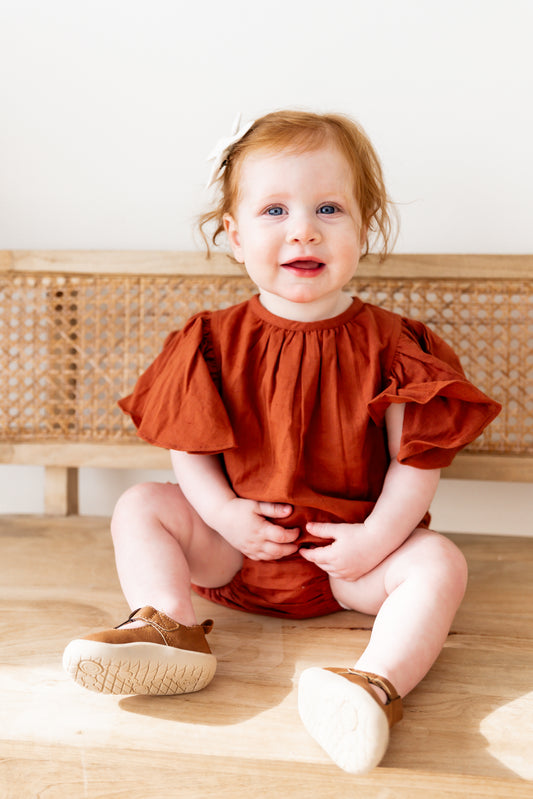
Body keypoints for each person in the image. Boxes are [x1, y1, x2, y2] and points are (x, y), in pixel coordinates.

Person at [63, 110, 501, 775]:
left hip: (349, 564)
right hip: (234, 553)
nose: (303, 228)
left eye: (329, 207)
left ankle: (372, 684)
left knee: (440, 561)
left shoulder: (391, 344)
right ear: (234, 236)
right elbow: (189, 445)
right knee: (140, 504)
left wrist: (375, 542)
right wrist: (222, 515)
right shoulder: (210, 339)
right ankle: (168, 625)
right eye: (274, 209)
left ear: (363, 229)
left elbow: (416, 462)